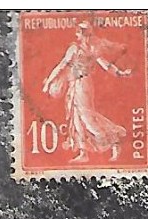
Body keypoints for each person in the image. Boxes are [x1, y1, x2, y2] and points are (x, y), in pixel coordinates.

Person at [41, 21, 131, 163]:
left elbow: (105, 65)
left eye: (84, 33)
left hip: (83, 85)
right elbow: (62, 66)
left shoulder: (87, 49)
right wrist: (49, 82)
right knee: (76, 117)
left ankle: (114, 140)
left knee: (87, 118)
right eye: (84, 34)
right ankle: (83, 153)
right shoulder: (78, 48)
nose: (84, 36)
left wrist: (120, 73)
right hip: (75, 84)